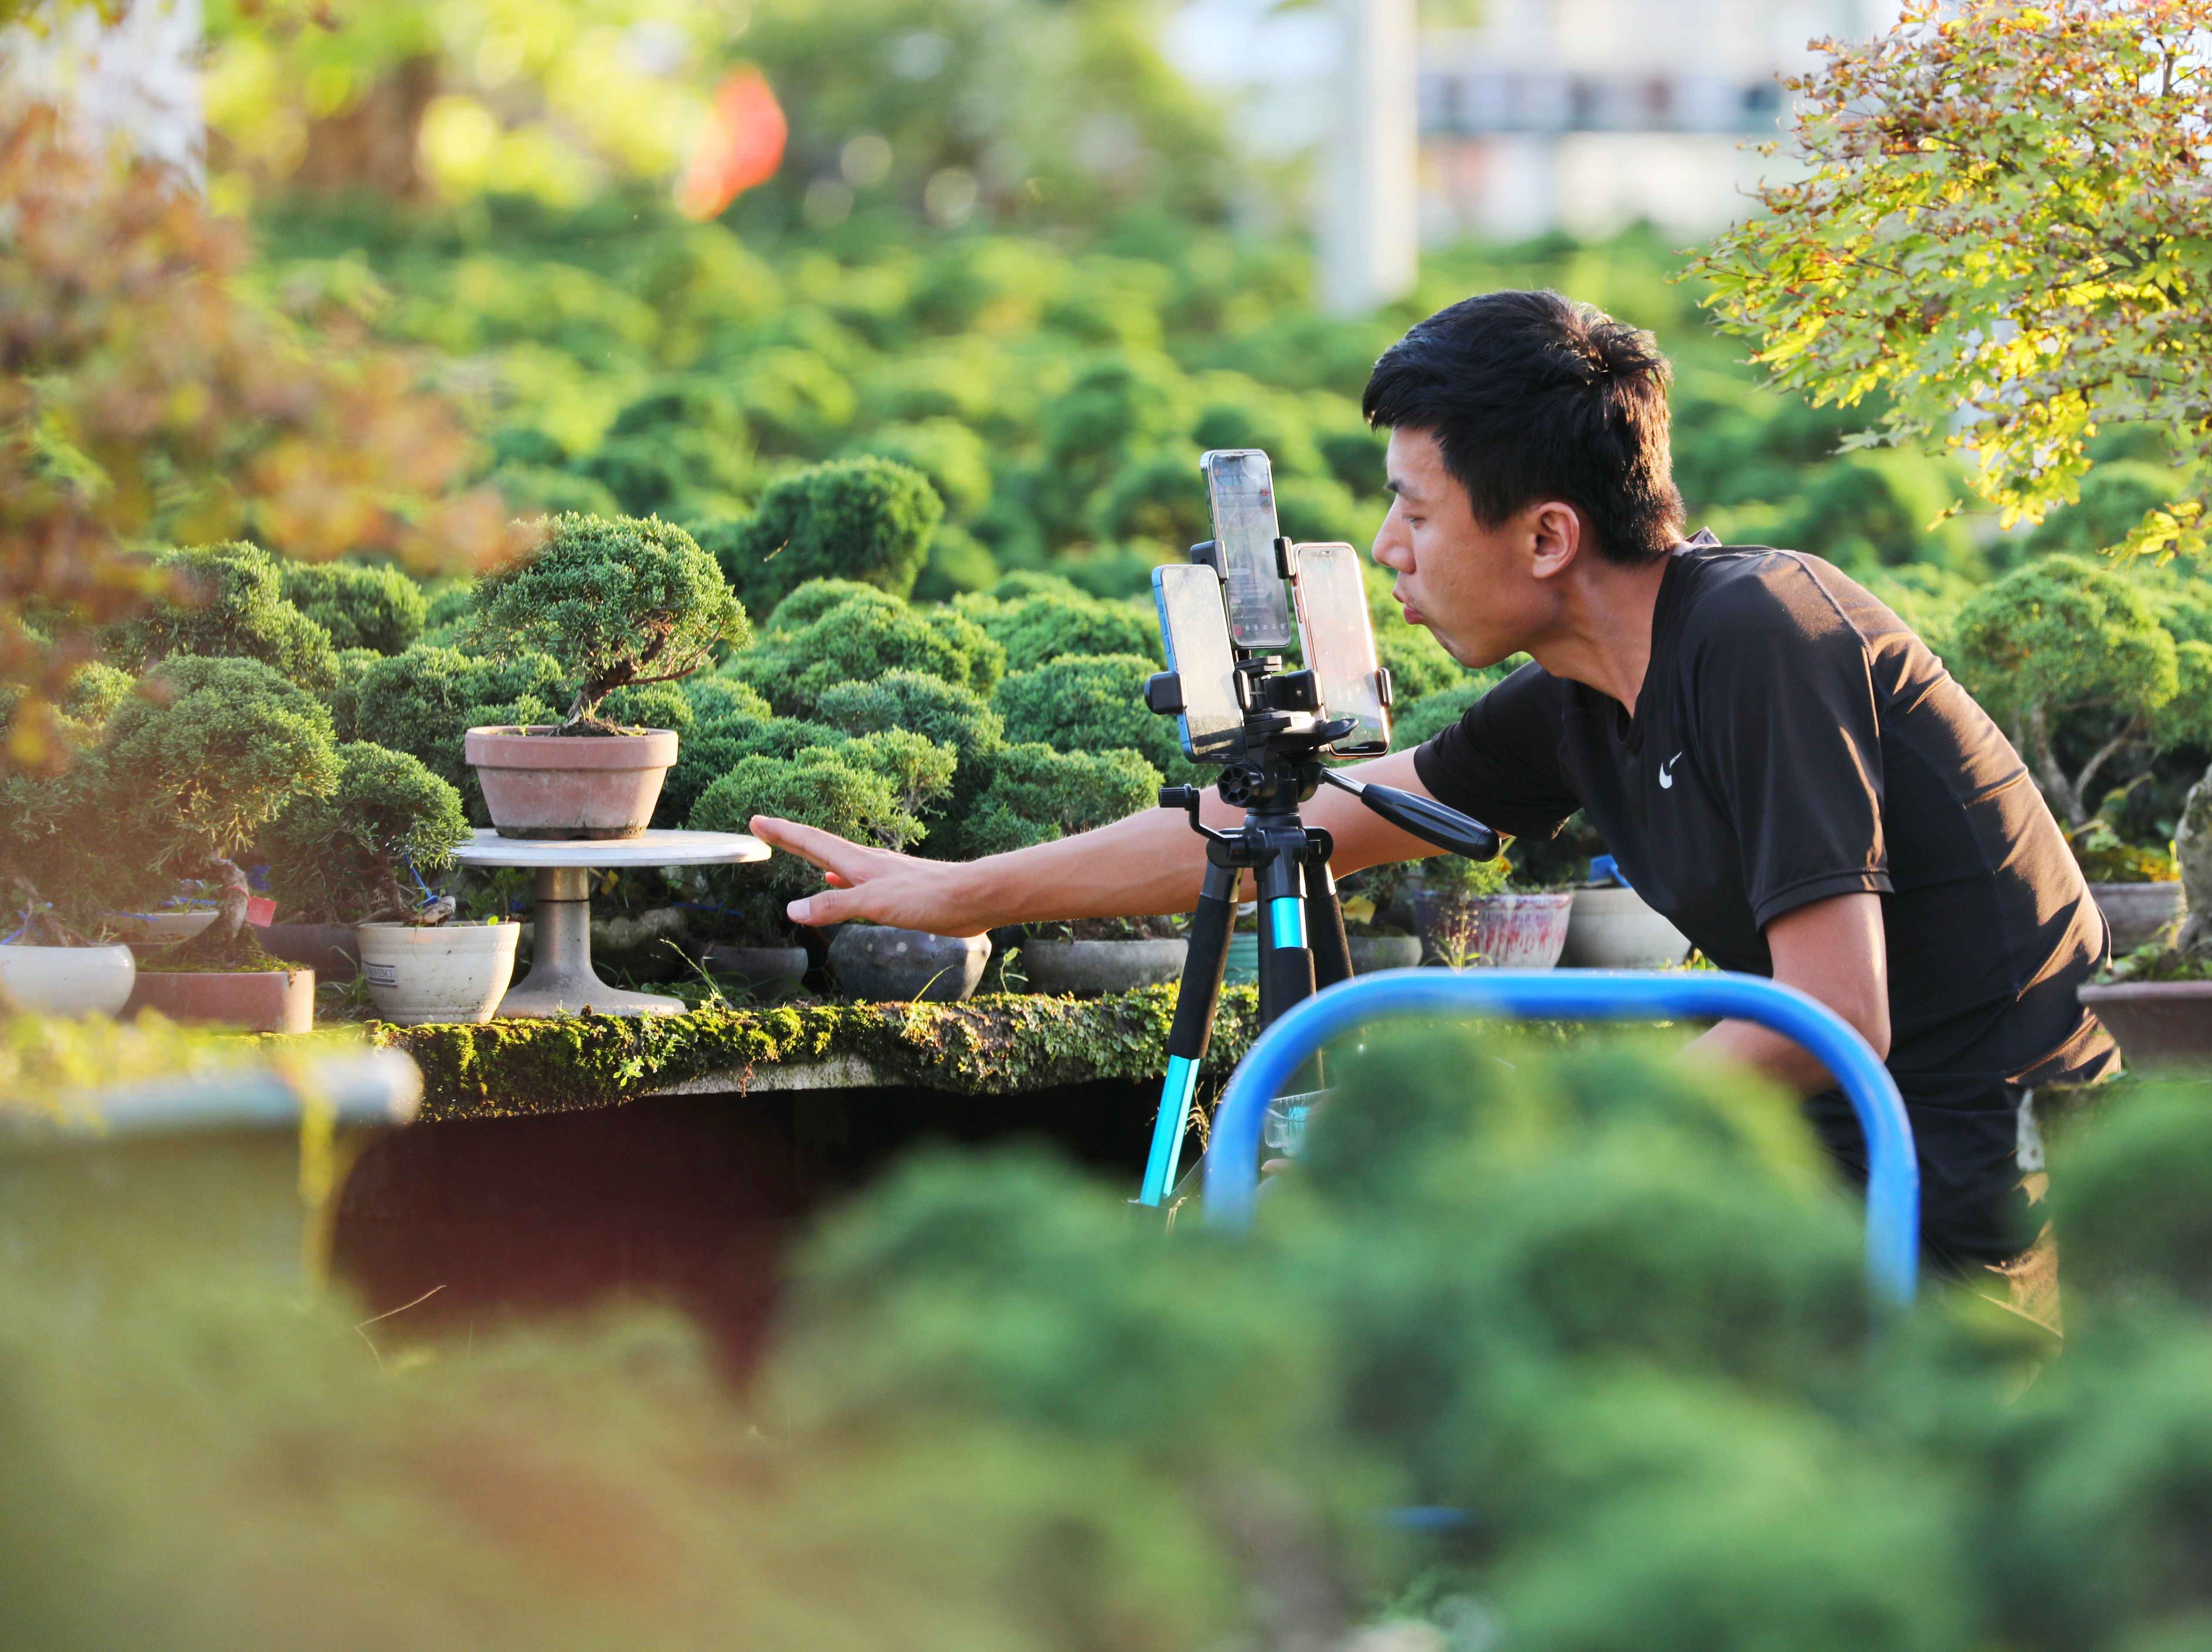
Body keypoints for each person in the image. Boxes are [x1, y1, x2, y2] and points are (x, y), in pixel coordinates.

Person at [751, 288, 2118, 1273]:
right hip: (1818, 1165)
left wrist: (1531, 1158)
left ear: (1544, 535)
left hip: (1969, 1198)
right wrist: (965, 892)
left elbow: (1835, 1015)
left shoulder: (1764, 633)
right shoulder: (1582, 695)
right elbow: (1300, 826)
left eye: (1414, 508)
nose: (1387, 548)